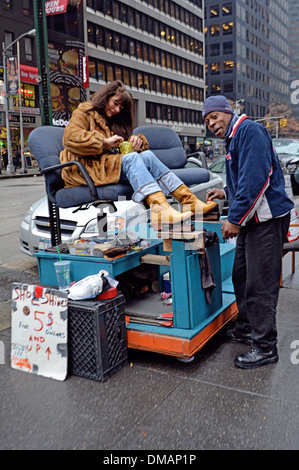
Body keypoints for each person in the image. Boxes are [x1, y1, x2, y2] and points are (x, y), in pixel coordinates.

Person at [203, 95, 294, 369]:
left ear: (226, 112)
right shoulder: (235, 136)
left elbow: (257, 180)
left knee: (260, 284)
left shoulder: (249, 130)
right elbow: (244, 181)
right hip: (253, 220)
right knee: (241, 276)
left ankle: (265, 347)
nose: (211, 125)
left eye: (214, 117)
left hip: (265, 221)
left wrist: (234, 219)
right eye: (207, 122)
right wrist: (226, 192)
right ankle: (245, 329)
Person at [60, 80, 217, 230]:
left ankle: (190, 201)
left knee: (147, 155)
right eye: (115, 103)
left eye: (121, 108)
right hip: (84, 168)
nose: (116, 110)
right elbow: (70, 138)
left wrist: (137, 142)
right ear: (105, 96)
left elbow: (122, 148)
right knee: (132, 159)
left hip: (105, 165)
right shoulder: (84, 111)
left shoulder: (113, 120)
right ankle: (160, 210)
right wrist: (104, 142)